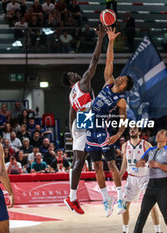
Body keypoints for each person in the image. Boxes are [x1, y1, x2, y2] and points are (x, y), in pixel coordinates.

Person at [85, 27, 134, 217]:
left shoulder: (121, 100)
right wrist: (111, 41)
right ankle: (107, 199)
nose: (119, 76)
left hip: (104, 131)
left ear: (124, 85)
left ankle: (120, 198)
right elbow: (109, 60)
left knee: (111, 165)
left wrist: (119, 135)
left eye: (122, 78)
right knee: (96, 166)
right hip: (90, 126)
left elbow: (124, 121)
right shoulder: (108, 82)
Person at [62, 25, 105, 215]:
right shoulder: (83, 81)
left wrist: (72, 133)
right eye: (72, 74)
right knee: (82, 160)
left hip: (80, 120)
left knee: (79, 160)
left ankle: (72, 197)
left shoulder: (71, 96)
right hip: (86, 118)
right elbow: (94, 60)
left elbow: (72, 113)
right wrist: (101, 38)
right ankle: (72, 197)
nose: (75, 73)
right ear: (71, 79)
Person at [134, 129, 167, 233]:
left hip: (163, 186)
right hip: (151, 185)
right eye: (157, 132)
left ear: (166, 138)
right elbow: (139, 162)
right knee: (142, 214)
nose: (158, 134)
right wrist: (140, 163)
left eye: (161, 133)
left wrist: (158, 165)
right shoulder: (150, 150)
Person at [119, 127, 161, 233]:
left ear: (139, 132)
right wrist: (119, 176)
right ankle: (125, 230)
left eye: (135, 129)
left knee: (151, 205)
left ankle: (158, 231)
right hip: (131, 178)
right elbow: (124, 162)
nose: (132, 131)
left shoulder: (146, 145)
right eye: (131, 129)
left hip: (145, 178)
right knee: (125, 205)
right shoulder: (125, 145)